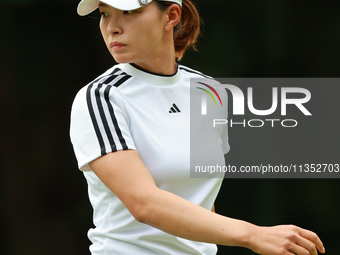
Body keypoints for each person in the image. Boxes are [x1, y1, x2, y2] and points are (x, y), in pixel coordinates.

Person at [70, 0, 326, 254]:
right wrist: (254, 234)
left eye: (128, 12)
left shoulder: (209, 91)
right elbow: (144, 203)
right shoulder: (101, 97)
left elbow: (203, 198)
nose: (112, 27)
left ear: (171, 16)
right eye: (105, 14)